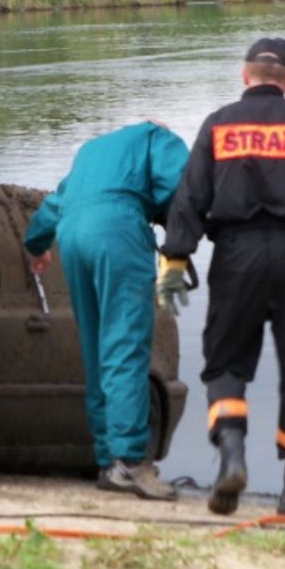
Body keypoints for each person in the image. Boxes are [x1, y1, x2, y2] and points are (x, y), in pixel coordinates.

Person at [160, 37, 285, 518]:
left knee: (225, 363)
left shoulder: (219, 123)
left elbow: (191, 196)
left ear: (245, 75)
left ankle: (232, 454)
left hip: (235, 256)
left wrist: (176, 257)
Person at [24, 121, 189, 500]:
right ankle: (130, 461)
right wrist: (179, 238)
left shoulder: (91, 152)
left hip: (72, 236)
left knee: (97, 348)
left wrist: (37, 245)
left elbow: (55, 203)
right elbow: (182, 188)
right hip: (118, 231)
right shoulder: (158, 137)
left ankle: (107, 460)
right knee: (126, 346)